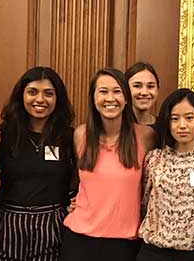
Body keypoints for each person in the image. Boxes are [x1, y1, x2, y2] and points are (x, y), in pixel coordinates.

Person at [61, 68, 157, 260]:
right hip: (80, 240)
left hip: (125, 244)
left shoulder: (146, 136)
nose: (110, 98)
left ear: (126, 98)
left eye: (117, 91)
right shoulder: (81, 135)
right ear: (94, 98)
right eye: (103, 91)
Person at [0, 67, 77, 261]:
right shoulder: (3, 135)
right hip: (9, 223)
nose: (40, 100)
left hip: (51, 224)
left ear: (57, 99)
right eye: (32, 92)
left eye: (49, 94)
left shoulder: (69, 137)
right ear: (21, 96)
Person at [137, 89, 194, 261]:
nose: (182, 125)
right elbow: (144, 201)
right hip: (154, 253)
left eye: (189, 118)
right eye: (174, 119)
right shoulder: (154, 159)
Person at [126, 62, 160, 128]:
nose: (144, 92)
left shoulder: (165, 127)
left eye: (150, 86)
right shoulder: (117, 128)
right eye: (137, 86)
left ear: (157, 89)